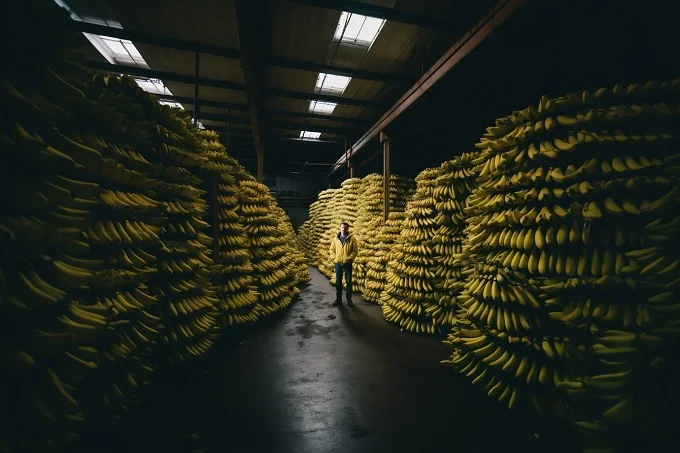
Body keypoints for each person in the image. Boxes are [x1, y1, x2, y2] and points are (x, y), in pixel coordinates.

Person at [328, 221, 358, 307]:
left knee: (348, 282)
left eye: (345, 228)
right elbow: (331, 250)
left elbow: (355, 250)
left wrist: (350, 258)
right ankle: (338, 299)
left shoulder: (352, 239)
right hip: (338, 263)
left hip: (347, 263)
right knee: (338, 281)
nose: (343, 229)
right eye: (342, 227)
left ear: (348, 228)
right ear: (340, 228)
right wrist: (335, 258)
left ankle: (349, 299)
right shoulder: (335, 239)